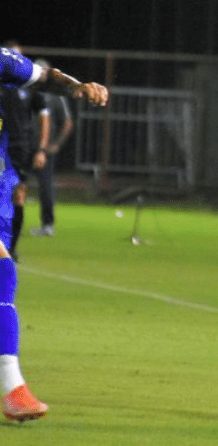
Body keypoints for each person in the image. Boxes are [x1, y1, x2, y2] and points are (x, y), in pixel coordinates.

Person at [0, 44, 108, 422]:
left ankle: (13, 390)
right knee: (3, 274)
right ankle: (13, 389)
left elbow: (45, 78)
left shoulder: (3, 61)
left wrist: (78, 87)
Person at [0, 42, 51, 260]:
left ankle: (11, 249)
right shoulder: (3, 81)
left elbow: (44, 116)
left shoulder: (29, 85)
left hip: (22, 148)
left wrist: (41, 149)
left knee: (18, 195)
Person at [30, 59, 74, 237]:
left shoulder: (55, 95)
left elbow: (67, 122)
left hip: (44, 149)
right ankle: (9, 224)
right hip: (25, 145)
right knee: (13, 183)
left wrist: (55, 144)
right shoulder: (27, 90)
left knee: (45, 186)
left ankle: (48, 224)